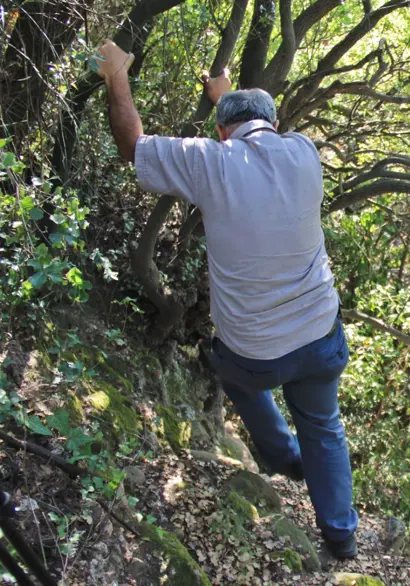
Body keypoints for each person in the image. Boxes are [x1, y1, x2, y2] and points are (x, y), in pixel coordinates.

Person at [94, 39, 359, 559]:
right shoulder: (305, 154)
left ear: (220, 132)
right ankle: (341, 537)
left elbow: (134, 147)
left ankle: (282, 456)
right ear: (276, 125)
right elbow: (257, 135)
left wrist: (116, 77)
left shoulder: (210, 165)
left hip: (255, 355)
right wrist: (227, 98)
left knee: (230, 369)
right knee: (324, 425)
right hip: (319, 335)